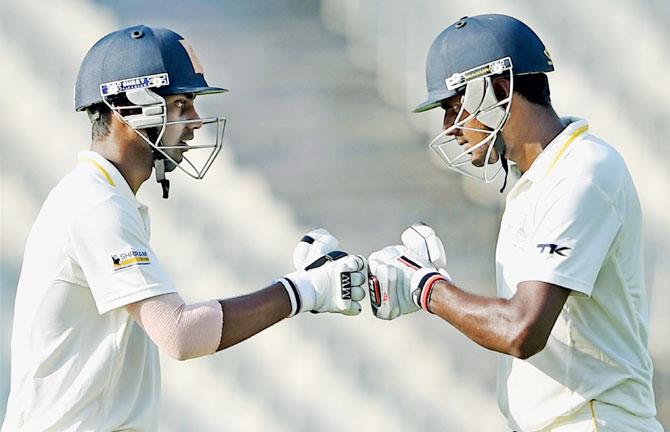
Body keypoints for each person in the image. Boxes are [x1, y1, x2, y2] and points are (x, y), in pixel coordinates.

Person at [1, 25, 366, 432]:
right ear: (128, 109)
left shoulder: (105, 197)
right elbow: (180, 334)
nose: (195, 122)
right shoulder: (96, 205)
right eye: (180, 104)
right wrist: (303, 290)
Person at [367, 14, 663, 431]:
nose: (449, 127)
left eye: (454, 107)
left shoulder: (583, 172)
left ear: (500, 89)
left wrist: (426, 287)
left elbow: (521, 330)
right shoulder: (537, 183)